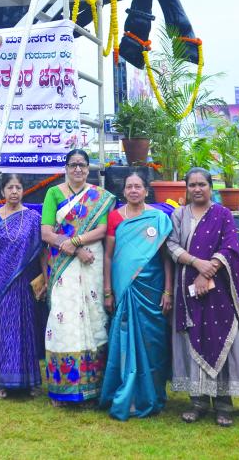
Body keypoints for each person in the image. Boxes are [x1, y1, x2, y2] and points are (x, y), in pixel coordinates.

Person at [166, 167, 239, 426]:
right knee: (192, 339)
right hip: (187, 289)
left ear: (210, 187)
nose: (197, 189)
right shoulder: (179, 215)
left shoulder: (223, 214)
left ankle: (224, 404)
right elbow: (171, 245)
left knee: (222, 338)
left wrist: (208, 270)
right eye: (192, 185)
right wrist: (197, 264)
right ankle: (197, 401)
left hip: (219, 290)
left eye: (202, 184)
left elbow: (230, 247)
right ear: (186, 189)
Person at [41, 148, 114, 405]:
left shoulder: (99, 197)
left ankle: (95, 387)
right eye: (73, 165)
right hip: (63, 265)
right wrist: (71, 247)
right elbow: (47, 233)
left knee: (93, 316)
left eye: (82, 165)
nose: (78, 170)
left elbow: (104, 228)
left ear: (88, 168)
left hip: (90, 262)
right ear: (66, 168)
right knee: (64, 320)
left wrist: (77, 242)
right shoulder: (53, 193)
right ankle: (63, 389)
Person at [100, 171, 173, 420]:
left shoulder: (158, 218)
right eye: (129, 186)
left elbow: (167, 259)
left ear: (145, 191)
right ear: (124, 192)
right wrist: (108, 291)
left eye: (138, 187)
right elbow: (108, 256)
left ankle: (150, 395)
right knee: (123, 341)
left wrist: (168, 290)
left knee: (153, 344)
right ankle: (126, 396)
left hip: (152, 290)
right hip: (124, 290)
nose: (133, 190)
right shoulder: (114, 218)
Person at [0, 173, 43, 398]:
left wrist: (45, 278)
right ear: (2, 191)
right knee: (3, 329)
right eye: (10, 187)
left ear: (23, 190)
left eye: (18, 187)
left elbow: (42, 252)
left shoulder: (34, 218)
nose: (14, 192)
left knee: (25, 328)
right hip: (1, 283)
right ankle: (4, 382)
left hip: (25, 283)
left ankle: (29, 380)